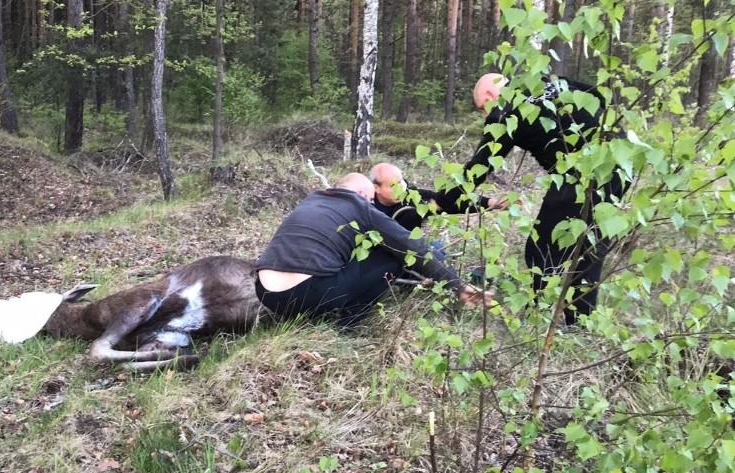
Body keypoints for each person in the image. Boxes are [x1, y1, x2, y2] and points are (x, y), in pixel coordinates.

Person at [436, 73, 630, 325]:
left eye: (482, 109)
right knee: (590, 244)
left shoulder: (504, 111)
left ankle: (538, 319)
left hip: (580, 173)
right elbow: (597, 94)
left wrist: (444, 200)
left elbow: (480, 166)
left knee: (542, 247)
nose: (485, 116)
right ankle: (580, 321)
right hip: (621, 160)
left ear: (489, 97)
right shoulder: (546, 79)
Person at [255, 173, 492, 327]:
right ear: (360, 194)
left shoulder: (312, 200)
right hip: (310, 293)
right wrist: (458, 285)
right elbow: (413, 246)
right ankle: (346, 324)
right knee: (394, 256)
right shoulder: (360, 206)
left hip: (265, 292)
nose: (371, 204)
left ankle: (307, 318)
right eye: (370, 199)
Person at [369, 162, 508, 231]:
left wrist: (491, 203)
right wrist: (428, 209)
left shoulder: (408, 193)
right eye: (393, 186)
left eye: (401, 182)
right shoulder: (364, 204)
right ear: (377, 188)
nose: (400, 188)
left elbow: (448, 201)